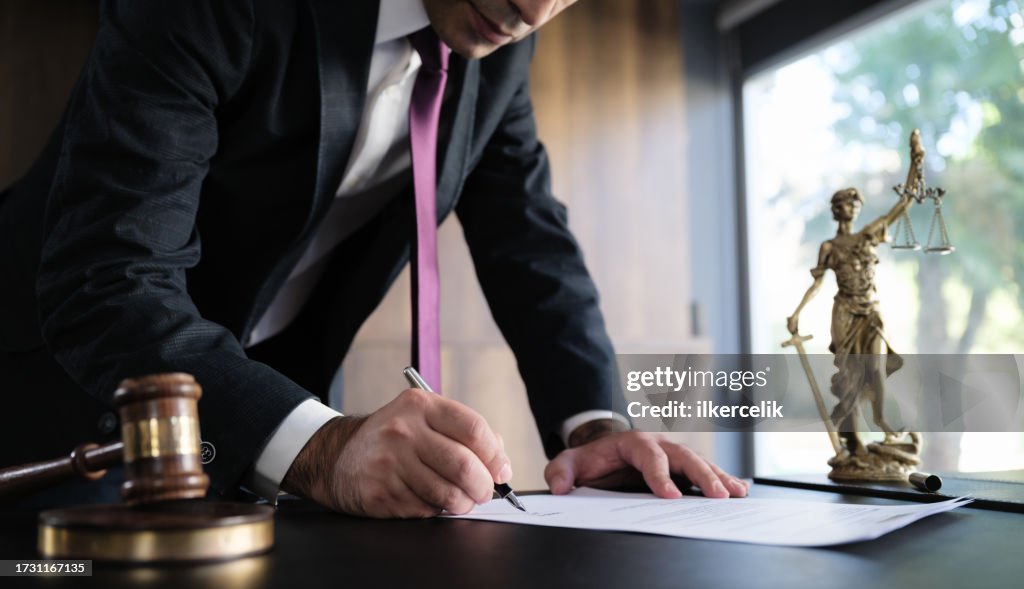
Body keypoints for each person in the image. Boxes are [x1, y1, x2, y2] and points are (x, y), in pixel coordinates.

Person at [0, 0, 747, 517]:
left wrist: (596, 427)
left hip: (267, 405)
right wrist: (320, 448)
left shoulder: (500, 41)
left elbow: (528, 237)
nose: (534, 10)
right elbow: (107, 278)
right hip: (63, 395)